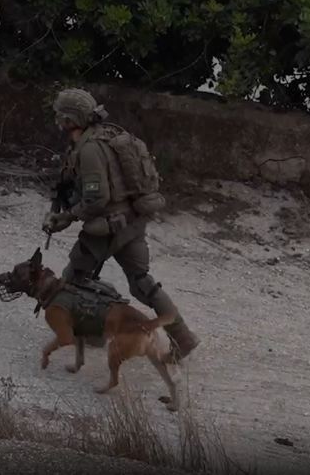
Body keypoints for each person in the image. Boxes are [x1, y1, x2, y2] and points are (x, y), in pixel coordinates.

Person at [42, 88, 200, 363]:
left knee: (72, 280)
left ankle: (80, 334)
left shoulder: (90, 149)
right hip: (131, 222)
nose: (57, 120)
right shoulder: (106, 135)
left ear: (70, 119)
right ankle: (183, 337)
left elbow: (97, 197)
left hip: (107, 228)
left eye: (60, 115)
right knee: (142, 284)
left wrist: (68, 216)